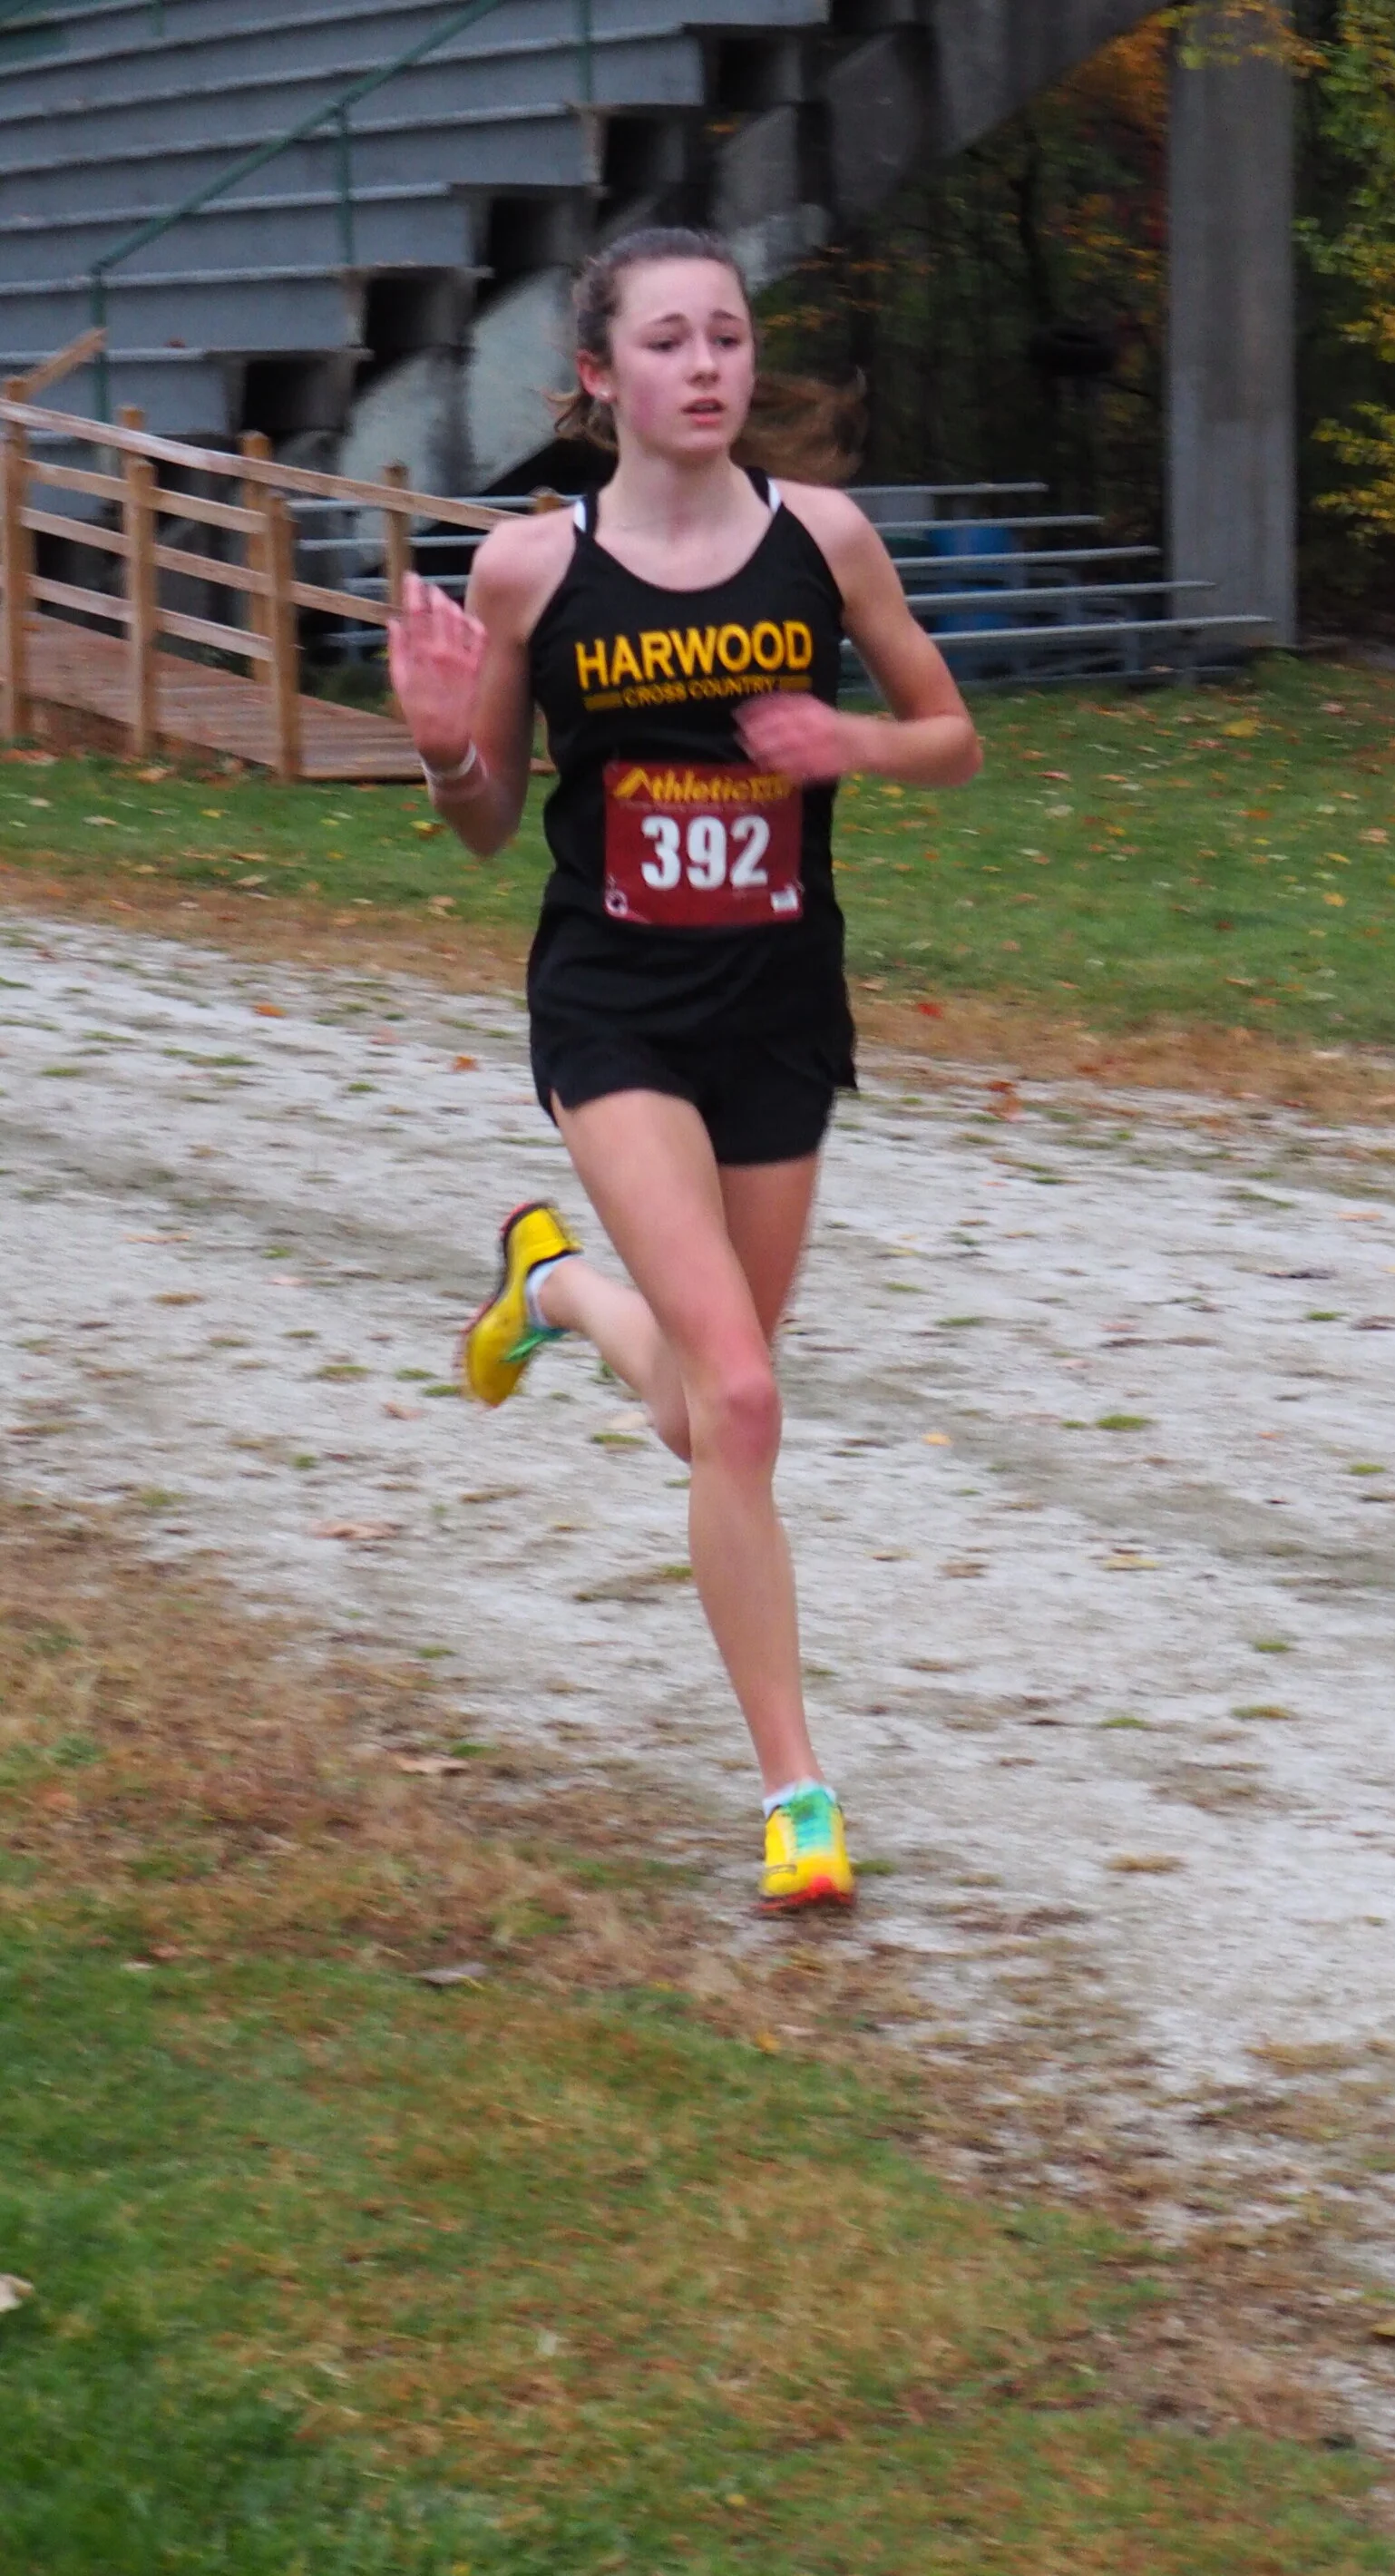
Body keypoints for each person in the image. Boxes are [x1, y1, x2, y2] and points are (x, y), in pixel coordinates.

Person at [387, 227, 980, 1912]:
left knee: (702, 1407)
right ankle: (796, 1789)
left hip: (779, 1008)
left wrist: (850, 738)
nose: (707, 365)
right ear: (599, 377)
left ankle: (552, 1284)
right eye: (668, 340)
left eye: (727, 335)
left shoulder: (826, 541)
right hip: (616, 1009)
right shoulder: (527, 570)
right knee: (746, 1396)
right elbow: (495, 821)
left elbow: (950, 735)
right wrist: (443, 754)